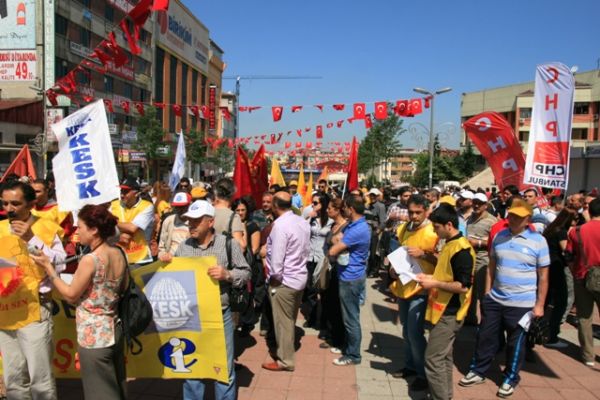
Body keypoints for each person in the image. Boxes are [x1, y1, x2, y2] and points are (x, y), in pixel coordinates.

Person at [31, 205, 127, 400]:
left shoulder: (90, 260)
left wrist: (49, 269)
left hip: (94, 335)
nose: (77, 232)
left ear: (94, 230)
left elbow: (71, 295)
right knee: (116, 386)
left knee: (99, 393)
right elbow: (123, 287)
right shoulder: (118, 253)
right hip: (114, 327)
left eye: (80, 227)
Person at [459, 198, 549, 398]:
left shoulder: (539, 241)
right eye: (512, 215)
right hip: (495, 299)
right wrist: (487, 293)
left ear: (528, 219)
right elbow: (491, 266)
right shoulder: (500, 236)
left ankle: (510, 378)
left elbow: (543, 276)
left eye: (519, 216)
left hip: (522, 304)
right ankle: (478, 370)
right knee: (485, 337)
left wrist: (540, 305)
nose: (513, 219)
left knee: (515, 344)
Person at [169, 200, 250, 399]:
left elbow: (245, 272)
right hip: (192, 317)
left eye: (196, 221)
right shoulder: (184, 247)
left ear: (210, 222)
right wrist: (165, 262)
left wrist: (227, 275)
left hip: (220, 316)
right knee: (193, 368)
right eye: (189, 221)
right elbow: (173, 276)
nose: (191, 225)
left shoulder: (228, 244)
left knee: (223, 368)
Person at [0, 180, 66, 400]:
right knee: (13, 379)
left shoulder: (46, 227)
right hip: (5, 311)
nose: (9, 209)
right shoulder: (0, 228)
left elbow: (60, 263)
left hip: (35, 310)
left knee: (40, 379)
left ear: (30, 204)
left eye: (15, 203)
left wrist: (31, 239)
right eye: (5, 203)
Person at [417, 203, 475, 400]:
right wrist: (431, 279)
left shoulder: (462, 250)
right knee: (443, 358)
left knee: (432, 359)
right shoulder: (450, 244)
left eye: (436, 227)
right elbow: (447, 275)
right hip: (442, 310)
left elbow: (463, 286)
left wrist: (434, 283)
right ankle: (445, 395)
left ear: (449, 225)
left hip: (450, 312)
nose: (434, 231)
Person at [388, 194, 438, 390]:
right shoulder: (403, 229)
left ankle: (423, 374)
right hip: (404, 286)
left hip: (422, 288)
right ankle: (410, 366)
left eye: (418, 212)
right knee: (407, 331)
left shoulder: (434, 231)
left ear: (426, 211)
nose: (414, 216)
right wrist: (393, 270)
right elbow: (399, 255)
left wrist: (424, 254)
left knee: (415, 333)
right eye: (411, 212)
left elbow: (443, 260)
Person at [261, 192, 310, 371]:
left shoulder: (280, 226)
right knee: (289, 319)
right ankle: (286, 349)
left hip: (285, 281)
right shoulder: (302, 222)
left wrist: (274, 280)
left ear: (275, 205)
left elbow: (277, 259)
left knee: (283, 323)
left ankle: (285, 360)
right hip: (299, 277)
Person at [328, 195, 370, 366]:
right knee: (348, 316)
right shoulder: (354, 225)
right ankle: (348, 346)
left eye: (344, 207)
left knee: (351, 319)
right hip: (348, 275)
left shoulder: (358, 229)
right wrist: (337, 241)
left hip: (351, 278)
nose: (343, 210)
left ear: (351, 209)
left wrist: (337, 242)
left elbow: (333, 250)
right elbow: (335, 239)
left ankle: (353, 355)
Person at [566, 198, 600, 367]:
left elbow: (569, 256)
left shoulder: (576, 231)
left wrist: (575, 272)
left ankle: (588, 356)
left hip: (582, 276)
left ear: (589, 211)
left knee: (584, 317)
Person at [543, 208, 577, 348]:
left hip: (547, 267)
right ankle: (552, 336)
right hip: (556, 268)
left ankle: (536, 329)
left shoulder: (550, 230)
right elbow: (565, 251)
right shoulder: (561, 232)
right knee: (561, 301)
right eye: (575, 219)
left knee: (545, 300)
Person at [320, 198, 348, 351]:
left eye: (330, 208)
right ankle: (331, 333)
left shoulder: (346, 227)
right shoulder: (332, 225)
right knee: (328, 302)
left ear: (337, 210)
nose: (327, 210)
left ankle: (338, 338)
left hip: (340, 269)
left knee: (337, 305)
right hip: (329, 268)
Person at [465, 192, 497, 324]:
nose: (476, 205)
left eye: (480, 203)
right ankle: (470, 318)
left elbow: (495, 241)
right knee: (469, 290)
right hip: (470, 258)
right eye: (475, 202)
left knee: (483, 292)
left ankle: (486, 322)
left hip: (483, 260)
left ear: (485, 205)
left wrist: (478, 243)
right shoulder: (470, 218)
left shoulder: (492, 221)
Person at [302, 193, 333, 329]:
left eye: (315, 203)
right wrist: (308, 218)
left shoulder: (331, 221)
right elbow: (301, 231)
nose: (312, 205)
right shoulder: (311, 218)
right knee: (310, 290)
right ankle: (312, 317)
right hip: (310, 257)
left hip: (323, 259)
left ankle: (325, 321)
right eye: (312, 202)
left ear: (323, 204)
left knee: (324, 290)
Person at [110, 176, 155, 266]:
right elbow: (103, 226)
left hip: (140, 259)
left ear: (137, 193)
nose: (122, 195)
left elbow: (132, 228)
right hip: (118, 258)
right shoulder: (113, 205)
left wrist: (112, 222)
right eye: (121, 191)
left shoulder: (147, 206)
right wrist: (118, 236)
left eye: (126, 192)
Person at [212, 178, 246, 251]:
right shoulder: (233, 217)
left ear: (216, 193)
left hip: (204, 257)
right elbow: (241, 247)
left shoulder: (206, 212)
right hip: (224, 257)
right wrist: (244, 230)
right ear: (233, 194)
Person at [157, 192, 191, 260]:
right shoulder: (169, 221)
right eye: (177, 207)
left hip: (188, 261)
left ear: (189, 205)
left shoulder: (195, 223)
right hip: (171, 262)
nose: (180, 210)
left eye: (183, 207)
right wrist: (163, 256)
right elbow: (161, 247)